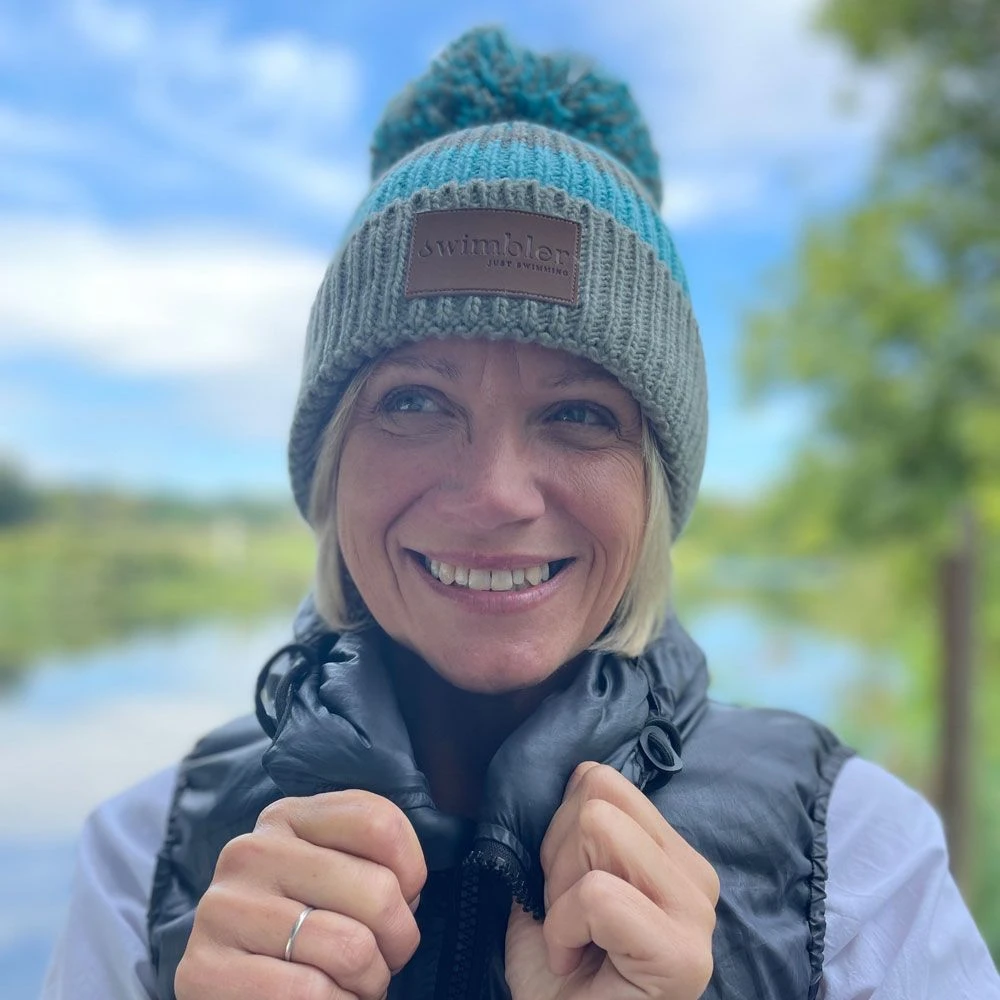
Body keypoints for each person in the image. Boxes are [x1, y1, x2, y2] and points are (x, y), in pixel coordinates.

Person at [42, 26, 1000, 1000]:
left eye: (578, 414)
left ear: (654, 487)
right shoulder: (147, 860)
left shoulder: (854, 859)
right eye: (415, 401)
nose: (496, 492)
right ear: (330, 466)